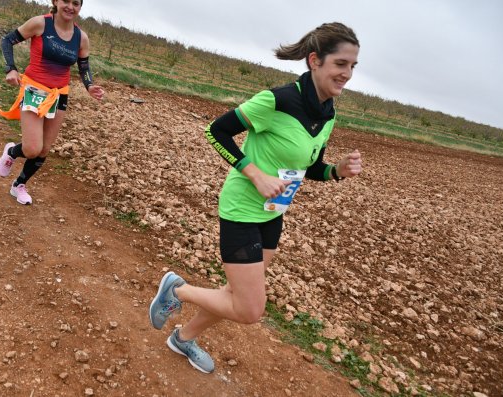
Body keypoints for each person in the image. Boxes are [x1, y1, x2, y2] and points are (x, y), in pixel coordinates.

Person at [149, 22, 363, 373]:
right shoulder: (277, 99)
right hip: (241, 209)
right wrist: (255, 173)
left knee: (234, 295)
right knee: (250, 309)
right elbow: (216, 131)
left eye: (353, 66)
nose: (347, 74)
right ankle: (177, 291)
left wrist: (337, 170)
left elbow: (310, 168)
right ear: (315, 60)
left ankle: (183, 339)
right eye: (341, 64)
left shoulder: (327, 114)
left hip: (272, 213)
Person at [0, 0, 104, 205]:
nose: (70, 7)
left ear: (80, 7)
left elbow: (83, 66)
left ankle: (19, 185)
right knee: (32, 149)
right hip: (34, 89)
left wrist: (89, 86)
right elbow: (7, 40)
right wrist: (10, 68)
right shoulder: (40, 23)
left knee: (44, 149)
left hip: (59, 94)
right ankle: (11, 152)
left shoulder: (82, 37)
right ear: (55, 1)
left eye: (76, 3)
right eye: (66, 1)